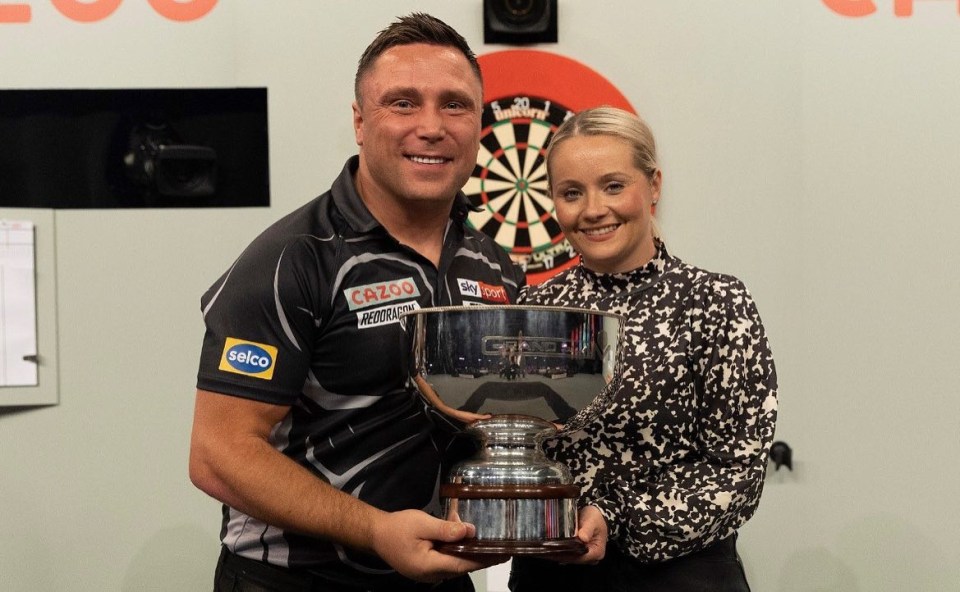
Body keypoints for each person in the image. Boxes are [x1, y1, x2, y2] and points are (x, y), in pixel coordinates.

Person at [188, 13, 526, 592]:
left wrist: (562, 510)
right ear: (359, 122)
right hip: (295, 580)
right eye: (402, 103)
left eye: (454, 105)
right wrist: (375, 531)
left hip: (437, 575)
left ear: (478, 125)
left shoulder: (494, 267)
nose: (431, 126)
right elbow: (218, 454)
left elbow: (500, 429)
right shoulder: (292, 259)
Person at [510, 106, 779, 591]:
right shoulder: (533, 307)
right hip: (549, 576)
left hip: (679, 577)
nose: (592, 209)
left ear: (653, 186)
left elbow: (738, 470)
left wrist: (614, 517)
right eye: (572, 193)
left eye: (613, 185)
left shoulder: (716, 302)